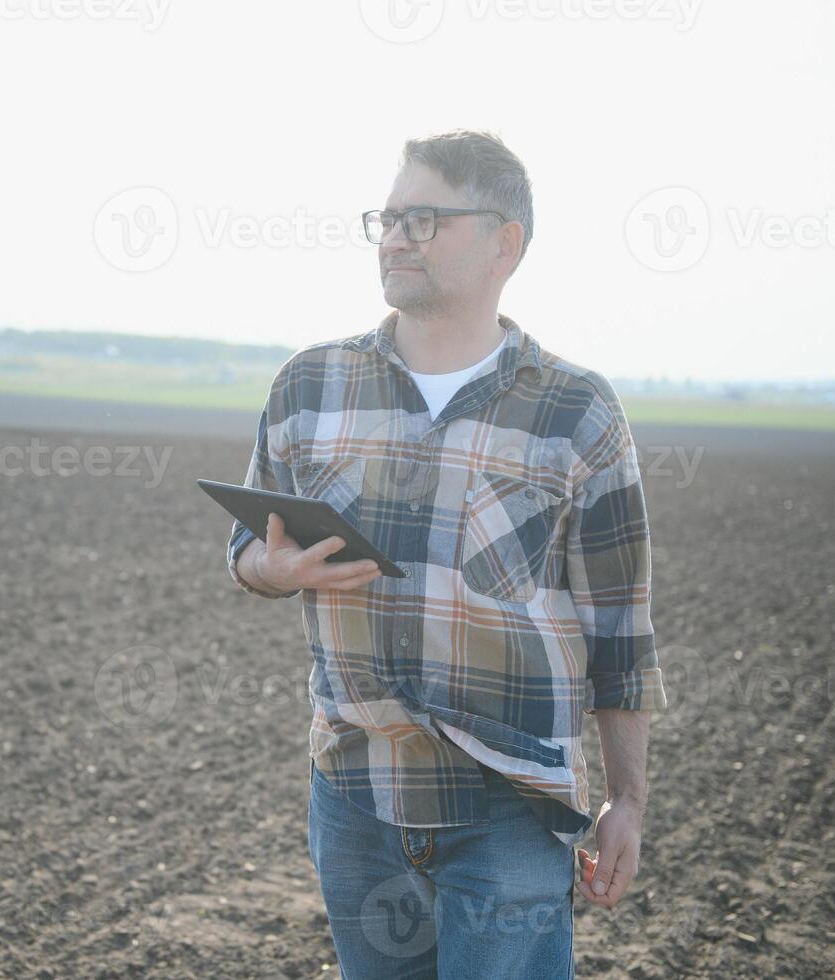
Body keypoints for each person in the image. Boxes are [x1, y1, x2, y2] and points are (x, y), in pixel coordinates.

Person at [224, 129, 668, 979]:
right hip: (355, 795)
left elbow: (620, 632)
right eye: (387, 218)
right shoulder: (308, 386)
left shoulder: (575, 411)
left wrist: (628, 801)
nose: (395, 237)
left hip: (508, 807)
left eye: (424, 219)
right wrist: (269, 572)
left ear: (506, 242)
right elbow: (248, 550)